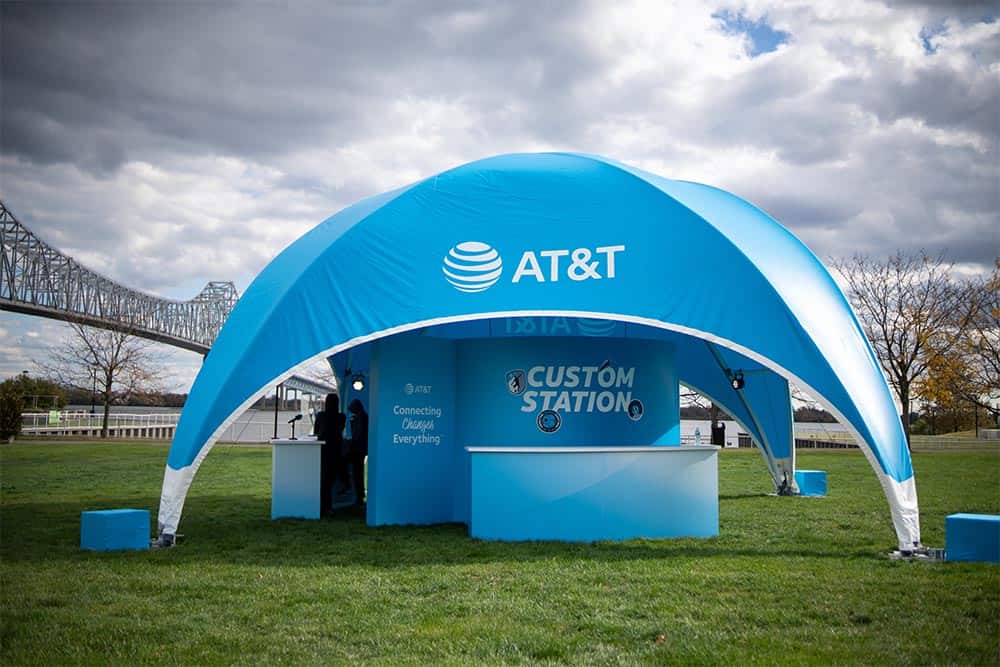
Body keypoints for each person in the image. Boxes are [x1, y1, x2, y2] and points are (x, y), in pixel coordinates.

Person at [314, 393, 346, 515]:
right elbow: (341, 429)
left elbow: (316, 431)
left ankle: (323, 506)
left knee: (323, 481)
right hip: (336, 450)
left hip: (323, 450)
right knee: (331, 481)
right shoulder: (341, 416)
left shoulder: (321, 415)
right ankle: (329, 506)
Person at [347, 398, 369, 507]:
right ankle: (358, 496)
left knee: (358, 474)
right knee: (358, 473)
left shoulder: (362, 418)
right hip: (359, 449)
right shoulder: (362, 417)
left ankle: (359, 496)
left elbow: (358, 435)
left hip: (358, 450)